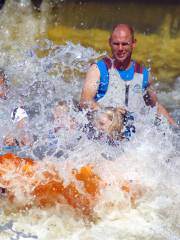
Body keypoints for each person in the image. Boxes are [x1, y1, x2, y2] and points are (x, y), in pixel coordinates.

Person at [80, 23, 176, 126]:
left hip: (131, 138)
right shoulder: (98, 70)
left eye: (124, 44)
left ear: (133, 44)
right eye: (116, 44)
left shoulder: (143, 74)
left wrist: (174, 127)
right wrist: (109, 112)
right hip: (101, 133)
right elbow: (85, 101)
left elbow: (155, 106)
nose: (120, 48)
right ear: (109, 43)